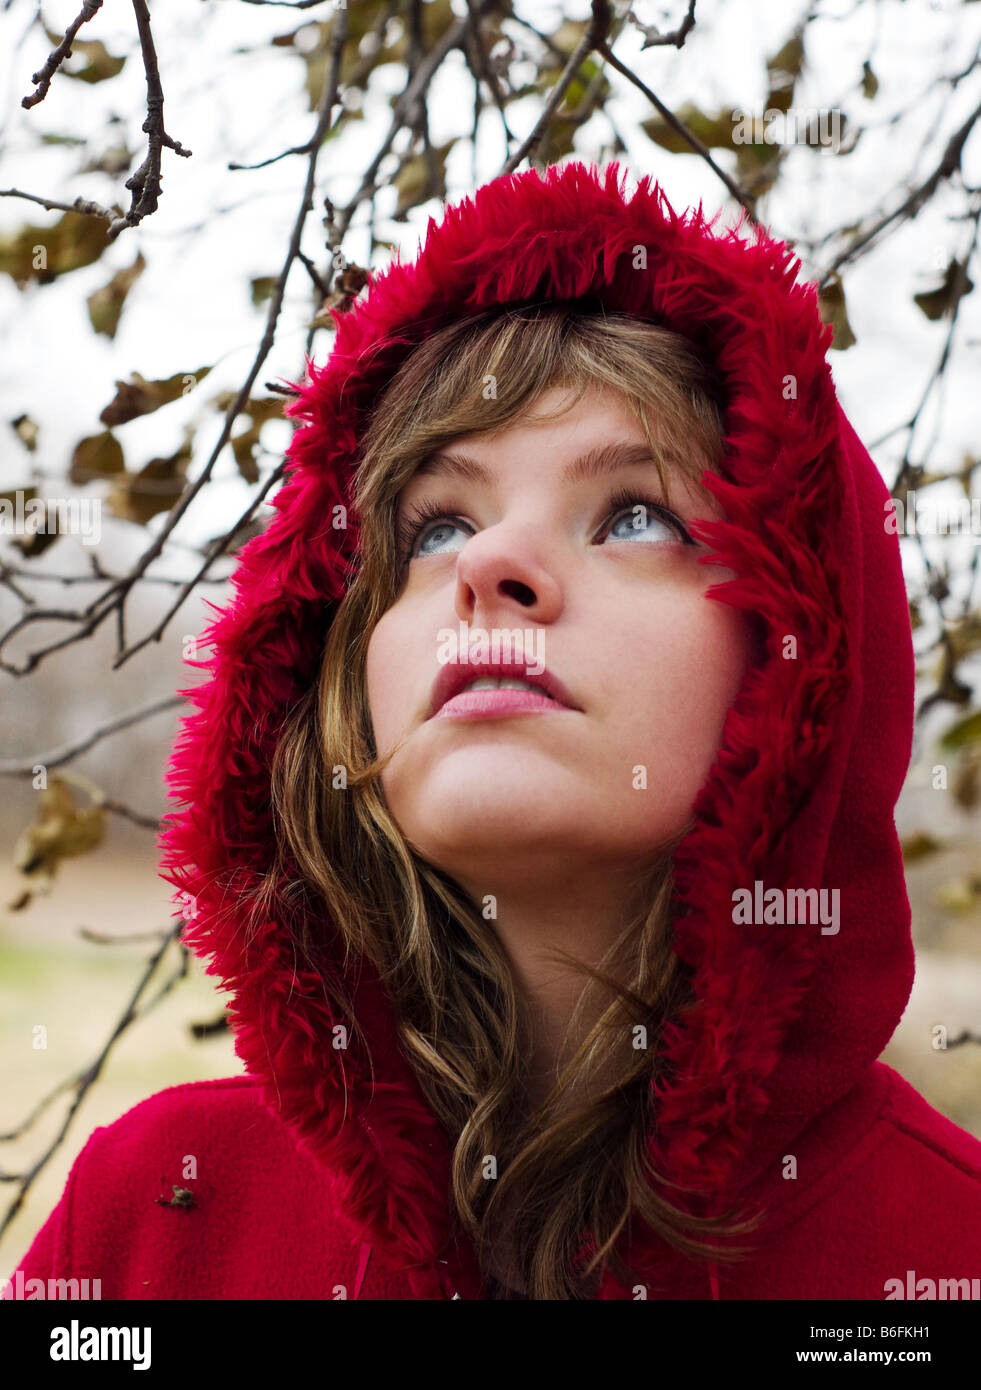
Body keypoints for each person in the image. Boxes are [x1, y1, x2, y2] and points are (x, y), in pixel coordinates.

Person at [7, 160, 981, 1301]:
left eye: (632, 512)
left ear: (798, 655)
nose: (487, 565)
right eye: (433, 528)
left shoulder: (942, 1254)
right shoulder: (151, 1227)